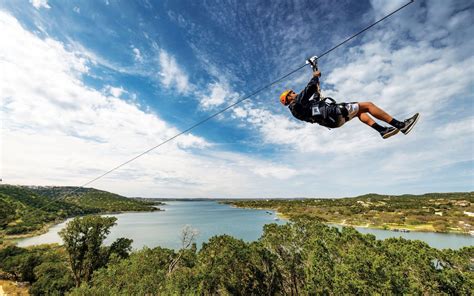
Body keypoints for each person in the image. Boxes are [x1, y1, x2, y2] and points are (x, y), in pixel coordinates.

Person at [279, 64, 419, 139]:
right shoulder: (296, 104)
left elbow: (315, 95)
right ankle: (401, 125)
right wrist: (314, 77)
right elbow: (308, 90)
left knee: (360, 111)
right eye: (291, 93)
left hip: (333, 122)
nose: (294, 92)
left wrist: (316, 80)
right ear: (288, 99)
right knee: (368, 105)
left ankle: (382, 130)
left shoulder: (300, 109)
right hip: (333, 113)